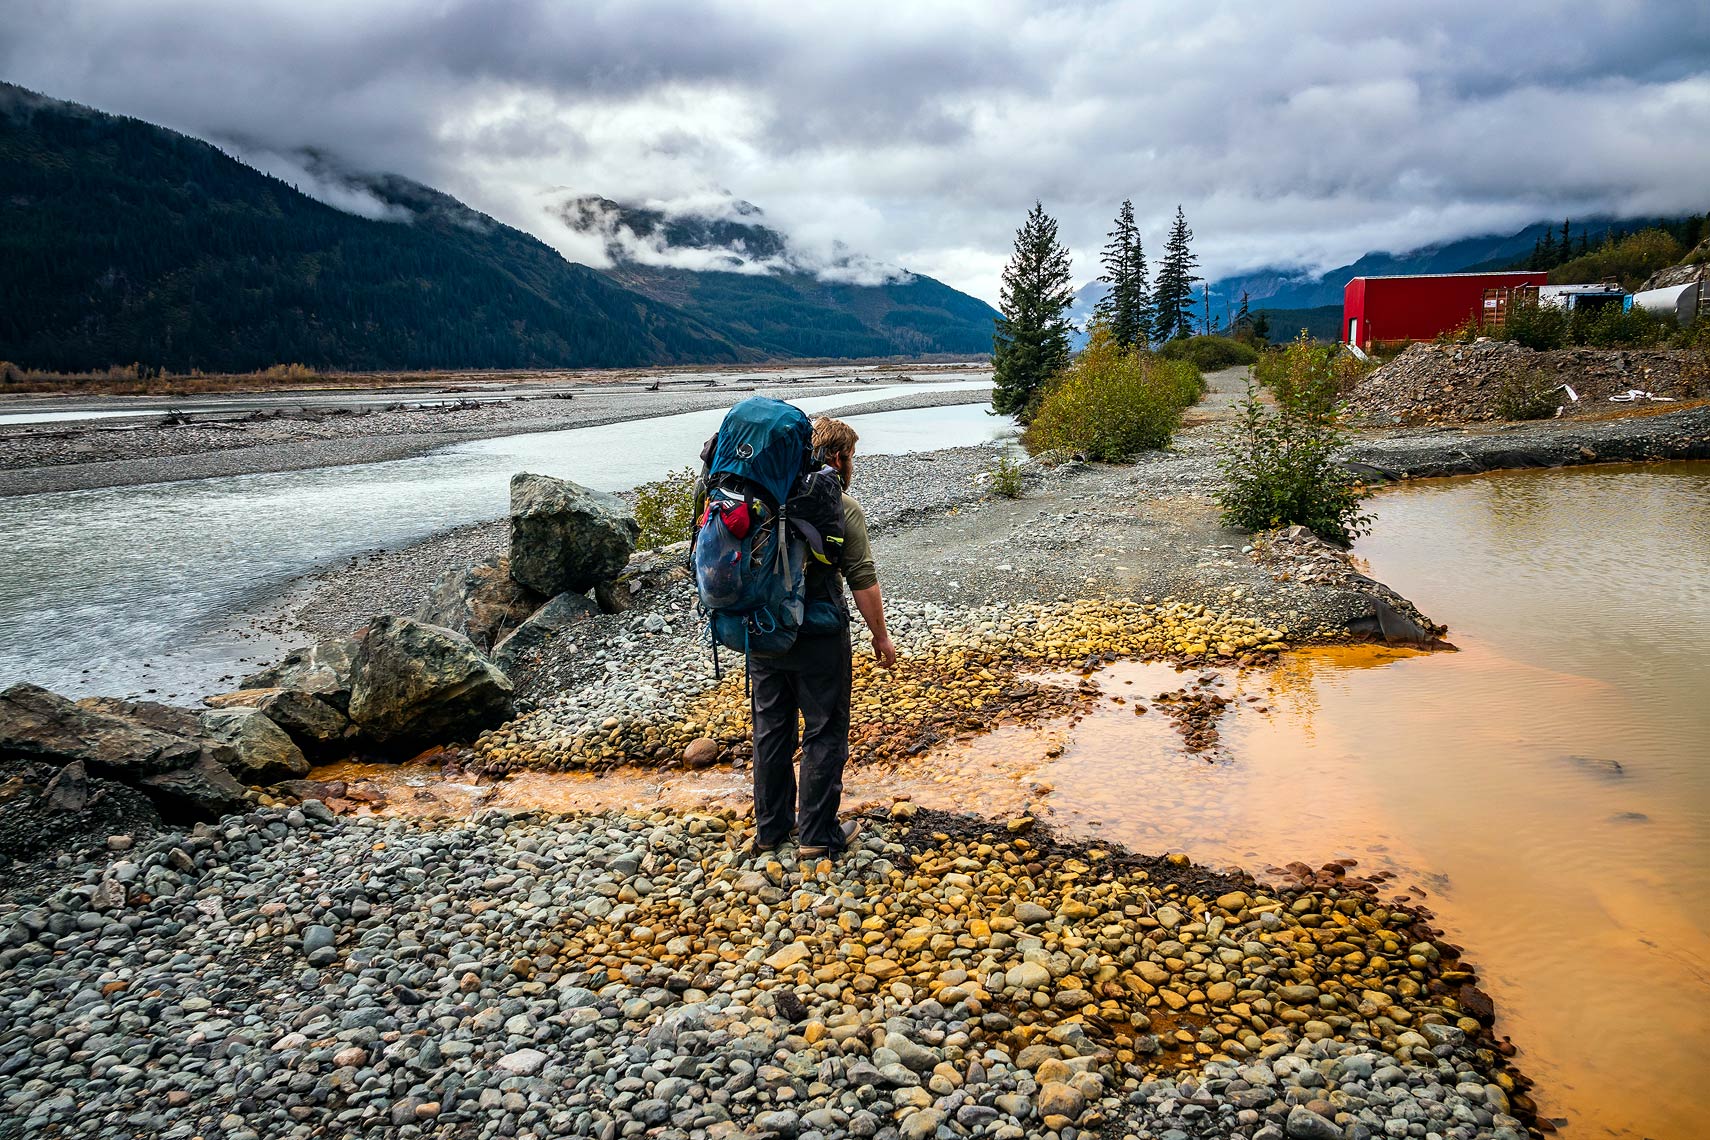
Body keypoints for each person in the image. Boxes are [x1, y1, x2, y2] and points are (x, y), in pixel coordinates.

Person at [747, 416, 897, 860]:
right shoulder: (839, 506)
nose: (852, 466)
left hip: (763, 632)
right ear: (836, 457)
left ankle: (771, 830)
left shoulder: (760, 498)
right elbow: (862, 578)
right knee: (824, 729)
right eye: (851, 457)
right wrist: (880, 637)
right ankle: (817, 835)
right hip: (819, 634)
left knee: (771, 731)